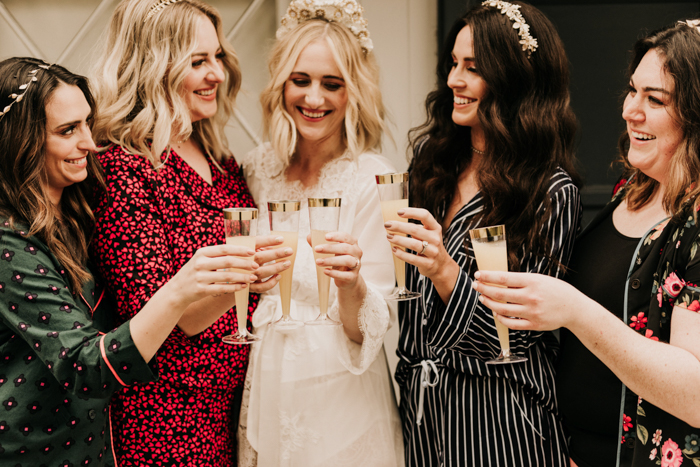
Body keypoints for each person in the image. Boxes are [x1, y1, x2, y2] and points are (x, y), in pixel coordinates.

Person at [0, 57, 257, 466]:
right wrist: (179, 289)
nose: (90, 142)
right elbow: (85, 368)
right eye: (68, 130)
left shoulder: (77, 209)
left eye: (88, 122)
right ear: (21, 142)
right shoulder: (8, 243)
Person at [474, 20, 700, 467]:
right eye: (632, 90)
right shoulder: (632, 189)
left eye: (654, 99)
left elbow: (694, 392)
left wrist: (573, 310)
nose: (630, 110)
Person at [88, 1, 288, 465]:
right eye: (198, 62)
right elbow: (167, 314)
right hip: (166, 419)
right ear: (154, 67)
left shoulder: (220, 157)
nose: (217, 73)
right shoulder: (124, 167)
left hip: (231, 409)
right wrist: (248, 275)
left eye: (218, 57)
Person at [386, 1, 582, 465]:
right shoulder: (432, 167)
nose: (454, 80)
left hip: (501, 423)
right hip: (423, 415)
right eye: (453, 64)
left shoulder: (550, 191)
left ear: (512, 78)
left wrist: (444, 270)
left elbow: (511, 336)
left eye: (473, 68)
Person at [236, 1, 404, 465]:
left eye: (332, 84)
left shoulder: (371, 179)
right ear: (281, 84)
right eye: (301, 80)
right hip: (265, 379)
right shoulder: (257, 168)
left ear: (354, 92)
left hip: (340, 394)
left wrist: (350, 284)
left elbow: (366, 330)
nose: (314, 99)